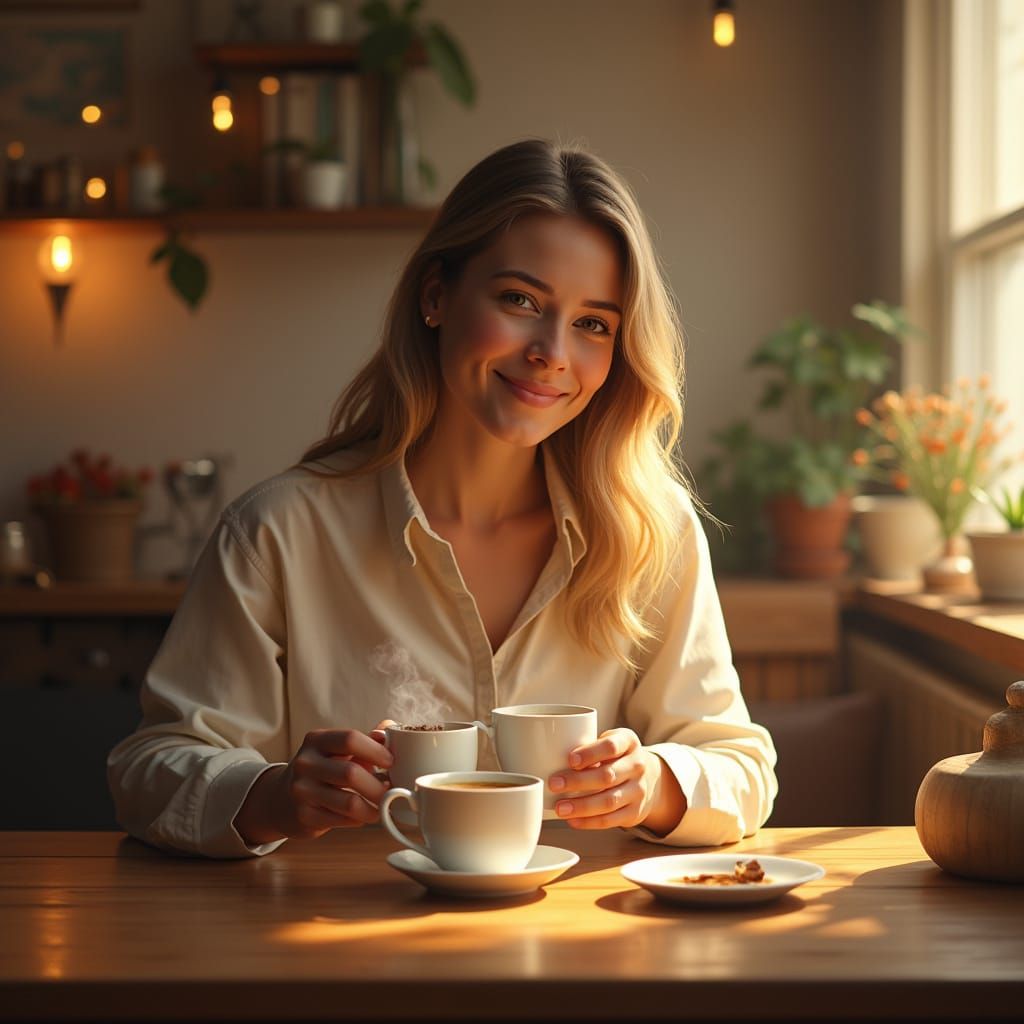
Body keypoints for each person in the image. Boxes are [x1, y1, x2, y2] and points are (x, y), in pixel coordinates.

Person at [108, 139, 777, 858]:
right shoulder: (276, 532)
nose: (553, 351)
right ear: (436, 296)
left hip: (583, 953)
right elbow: (150, 770)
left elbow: (740, 768)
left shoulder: (654, 532)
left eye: (593, 324)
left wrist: (653, 782)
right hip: (338, 948)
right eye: (520, 300)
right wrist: (274, 796)